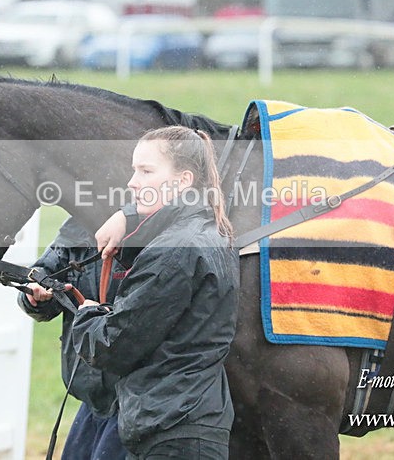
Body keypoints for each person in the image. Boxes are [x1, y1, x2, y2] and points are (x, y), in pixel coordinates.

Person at [71, 126, 239, 459]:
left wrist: (88, 314)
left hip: (172, 431)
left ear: (183, 181)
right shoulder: (209, 231)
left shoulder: (172, 251)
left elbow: (113, 346)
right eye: (134, 170)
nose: (133, 182)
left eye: (146, 171)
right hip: (191, 419)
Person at [18, 217, 127, 460]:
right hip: (91, 399)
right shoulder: (77, 226)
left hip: (132, 402)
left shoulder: (150, 232)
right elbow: (45, 271)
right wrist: (34, 296)